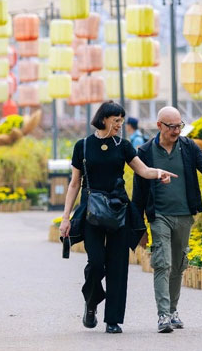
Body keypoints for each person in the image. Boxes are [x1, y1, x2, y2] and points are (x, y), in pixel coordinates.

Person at [58, 101, 178, 334]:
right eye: (116, 121)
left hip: (119, 211)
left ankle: (113, 320)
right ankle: (91, 302)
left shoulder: (123, 146)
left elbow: (142, 170)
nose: (119, 125)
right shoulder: (83, 146)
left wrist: (158, 173)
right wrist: (66, 217)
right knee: (95, 263)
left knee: (118, 266)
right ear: (103, 119)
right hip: (92, 212)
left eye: (121, 121)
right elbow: (74, 183)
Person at [132, 106, 202, 333]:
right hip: (159, 216)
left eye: (179, 126)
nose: (176, 131)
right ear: (159, 126)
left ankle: (172, 310)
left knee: (178, 265)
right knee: (163, 262)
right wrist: (139, 226)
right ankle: (163, 315)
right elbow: (138, 192)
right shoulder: (145, 152)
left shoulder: (188, 147)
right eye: (171, 127)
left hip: (184, 215)